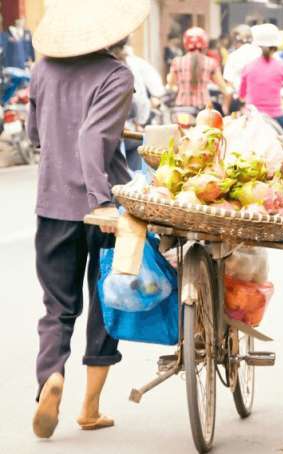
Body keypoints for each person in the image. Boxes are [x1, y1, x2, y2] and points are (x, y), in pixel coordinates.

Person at [27, 0, 149, 439]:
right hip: (104, 210)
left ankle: (51, 379)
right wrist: (101, 201)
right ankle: (90, 408)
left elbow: (35, 135)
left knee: (57, 309)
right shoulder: (117, 75)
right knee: (105, 303)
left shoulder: (42, 70)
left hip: (52, 206)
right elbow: (91, 137)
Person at [239, 24, 283, 156]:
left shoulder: (248, 67)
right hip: (275, 117)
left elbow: (241, 94)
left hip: (250, 117)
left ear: (257, 45)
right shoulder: (282, 67)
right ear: (275, 47)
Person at [167, 27, 230, 113]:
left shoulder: (177, 62)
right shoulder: (211, 63)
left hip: (182, 108)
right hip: (204, 109)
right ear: (205, 43)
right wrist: (225, 105)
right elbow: (223, 88)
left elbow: (171, 84)